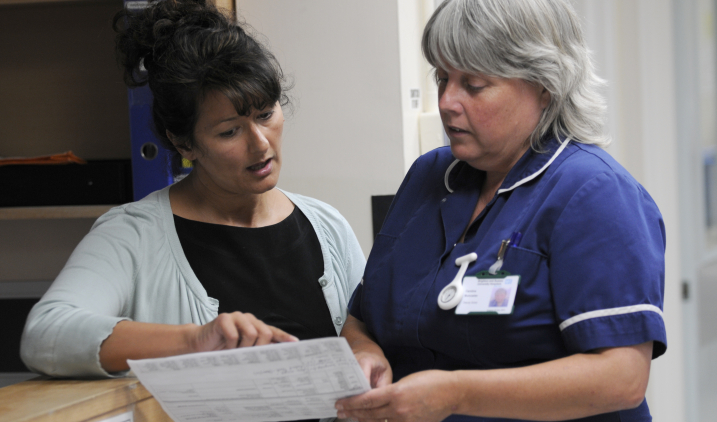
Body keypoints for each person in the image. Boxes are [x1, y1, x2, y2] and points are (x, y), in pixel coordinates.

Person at [336, 0, 666, 421]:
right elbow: (362, 316)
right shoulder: (429, 175)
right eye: (442, 78)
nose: (447, 102)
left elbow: (621, 378)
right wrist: (366, 352)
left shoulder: (595, 193)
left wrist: (456, 394)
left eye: (473, 85)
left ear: (544, 85)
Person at [20, 0, 364, 390]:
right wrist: (193, 340)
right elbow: (46, 335)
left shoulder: (327, 226)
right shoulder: (133, 234)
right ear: (184, 143)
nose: (260, 144)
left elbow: (369, 332)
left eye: (265, 115)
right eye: (229, 131)